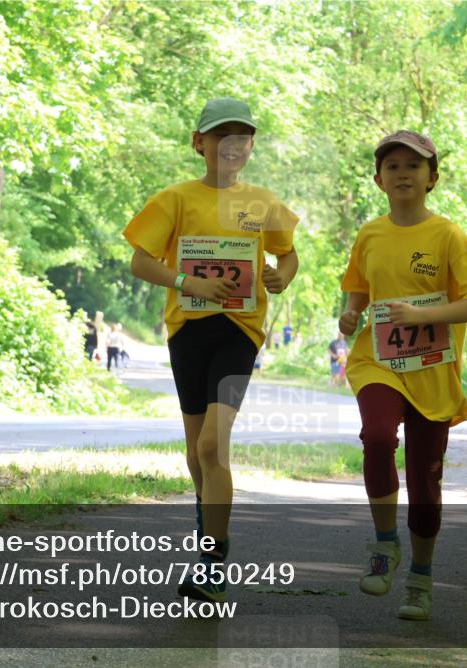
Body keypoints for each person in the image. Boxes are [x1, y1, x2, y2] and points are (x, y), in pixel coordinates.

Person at [124, 98, 299, 602]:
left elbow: (288, 258)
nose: (232, 144)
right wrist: (187, 282)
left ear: (251, 146)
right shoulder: (175, 200)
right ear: (199, 143)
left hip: (239, 332)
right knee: (195, 452)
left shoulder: (263, 203)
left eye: (242, 136)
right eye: (221, 135)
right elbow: (141, 261)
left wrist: (279, 277)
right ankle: (208, 544)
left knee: (211, 447)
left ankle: (213, 561)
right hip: (188, 331)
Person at [338, 130, 467, 621]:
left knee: (426, 482)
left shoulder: (447, 235)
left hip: (432, 371)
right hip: (378, 362)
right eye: (393, 166)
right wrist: (350, 314)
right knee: (378, 436)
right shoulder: (370, 233)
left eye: (414, 166)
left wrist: (426, 316)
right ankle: (385, 546)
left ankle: (421, 580)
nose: (403, 173)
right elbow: (357, 288)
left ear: (432, 178)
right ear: (378, 179)